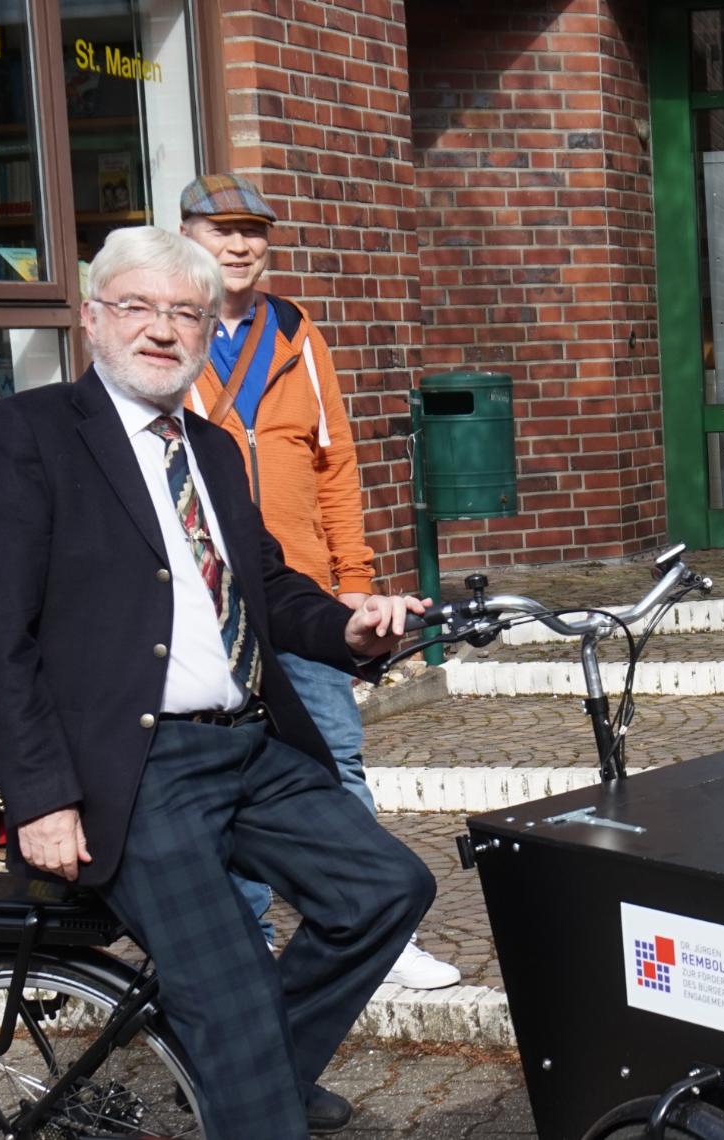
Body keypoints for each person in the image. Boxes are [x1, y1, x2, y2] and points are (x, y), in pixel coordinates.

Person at [0, 226, 437, 1139]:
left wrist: (348, 623)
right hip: (135, 775)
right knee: (232, 995)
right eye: (138, 306)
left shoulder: (212, 449)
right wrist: (41, 799)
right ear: (93, 319)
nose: (162, 329)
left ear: (208, 330)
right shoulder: (30, 435)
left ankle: (244, 1072)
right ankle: (250, 1081)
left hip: (250, 743)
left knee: (385, 890)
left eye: (186, 312)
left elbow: (267, 587)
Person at [177, 172, 461, 989]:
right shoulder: (179, 336)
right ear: (187, 235)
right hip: (212, 596)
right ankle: (247, 940)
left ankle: (375, 925)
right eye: (221, 229)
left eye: (253, 231)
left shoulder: (298, 333)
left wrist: (354, 580)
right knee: (227, 773)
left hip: (301, 594)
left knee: (336, 757)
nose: (239, 245)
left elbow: (337, 467)